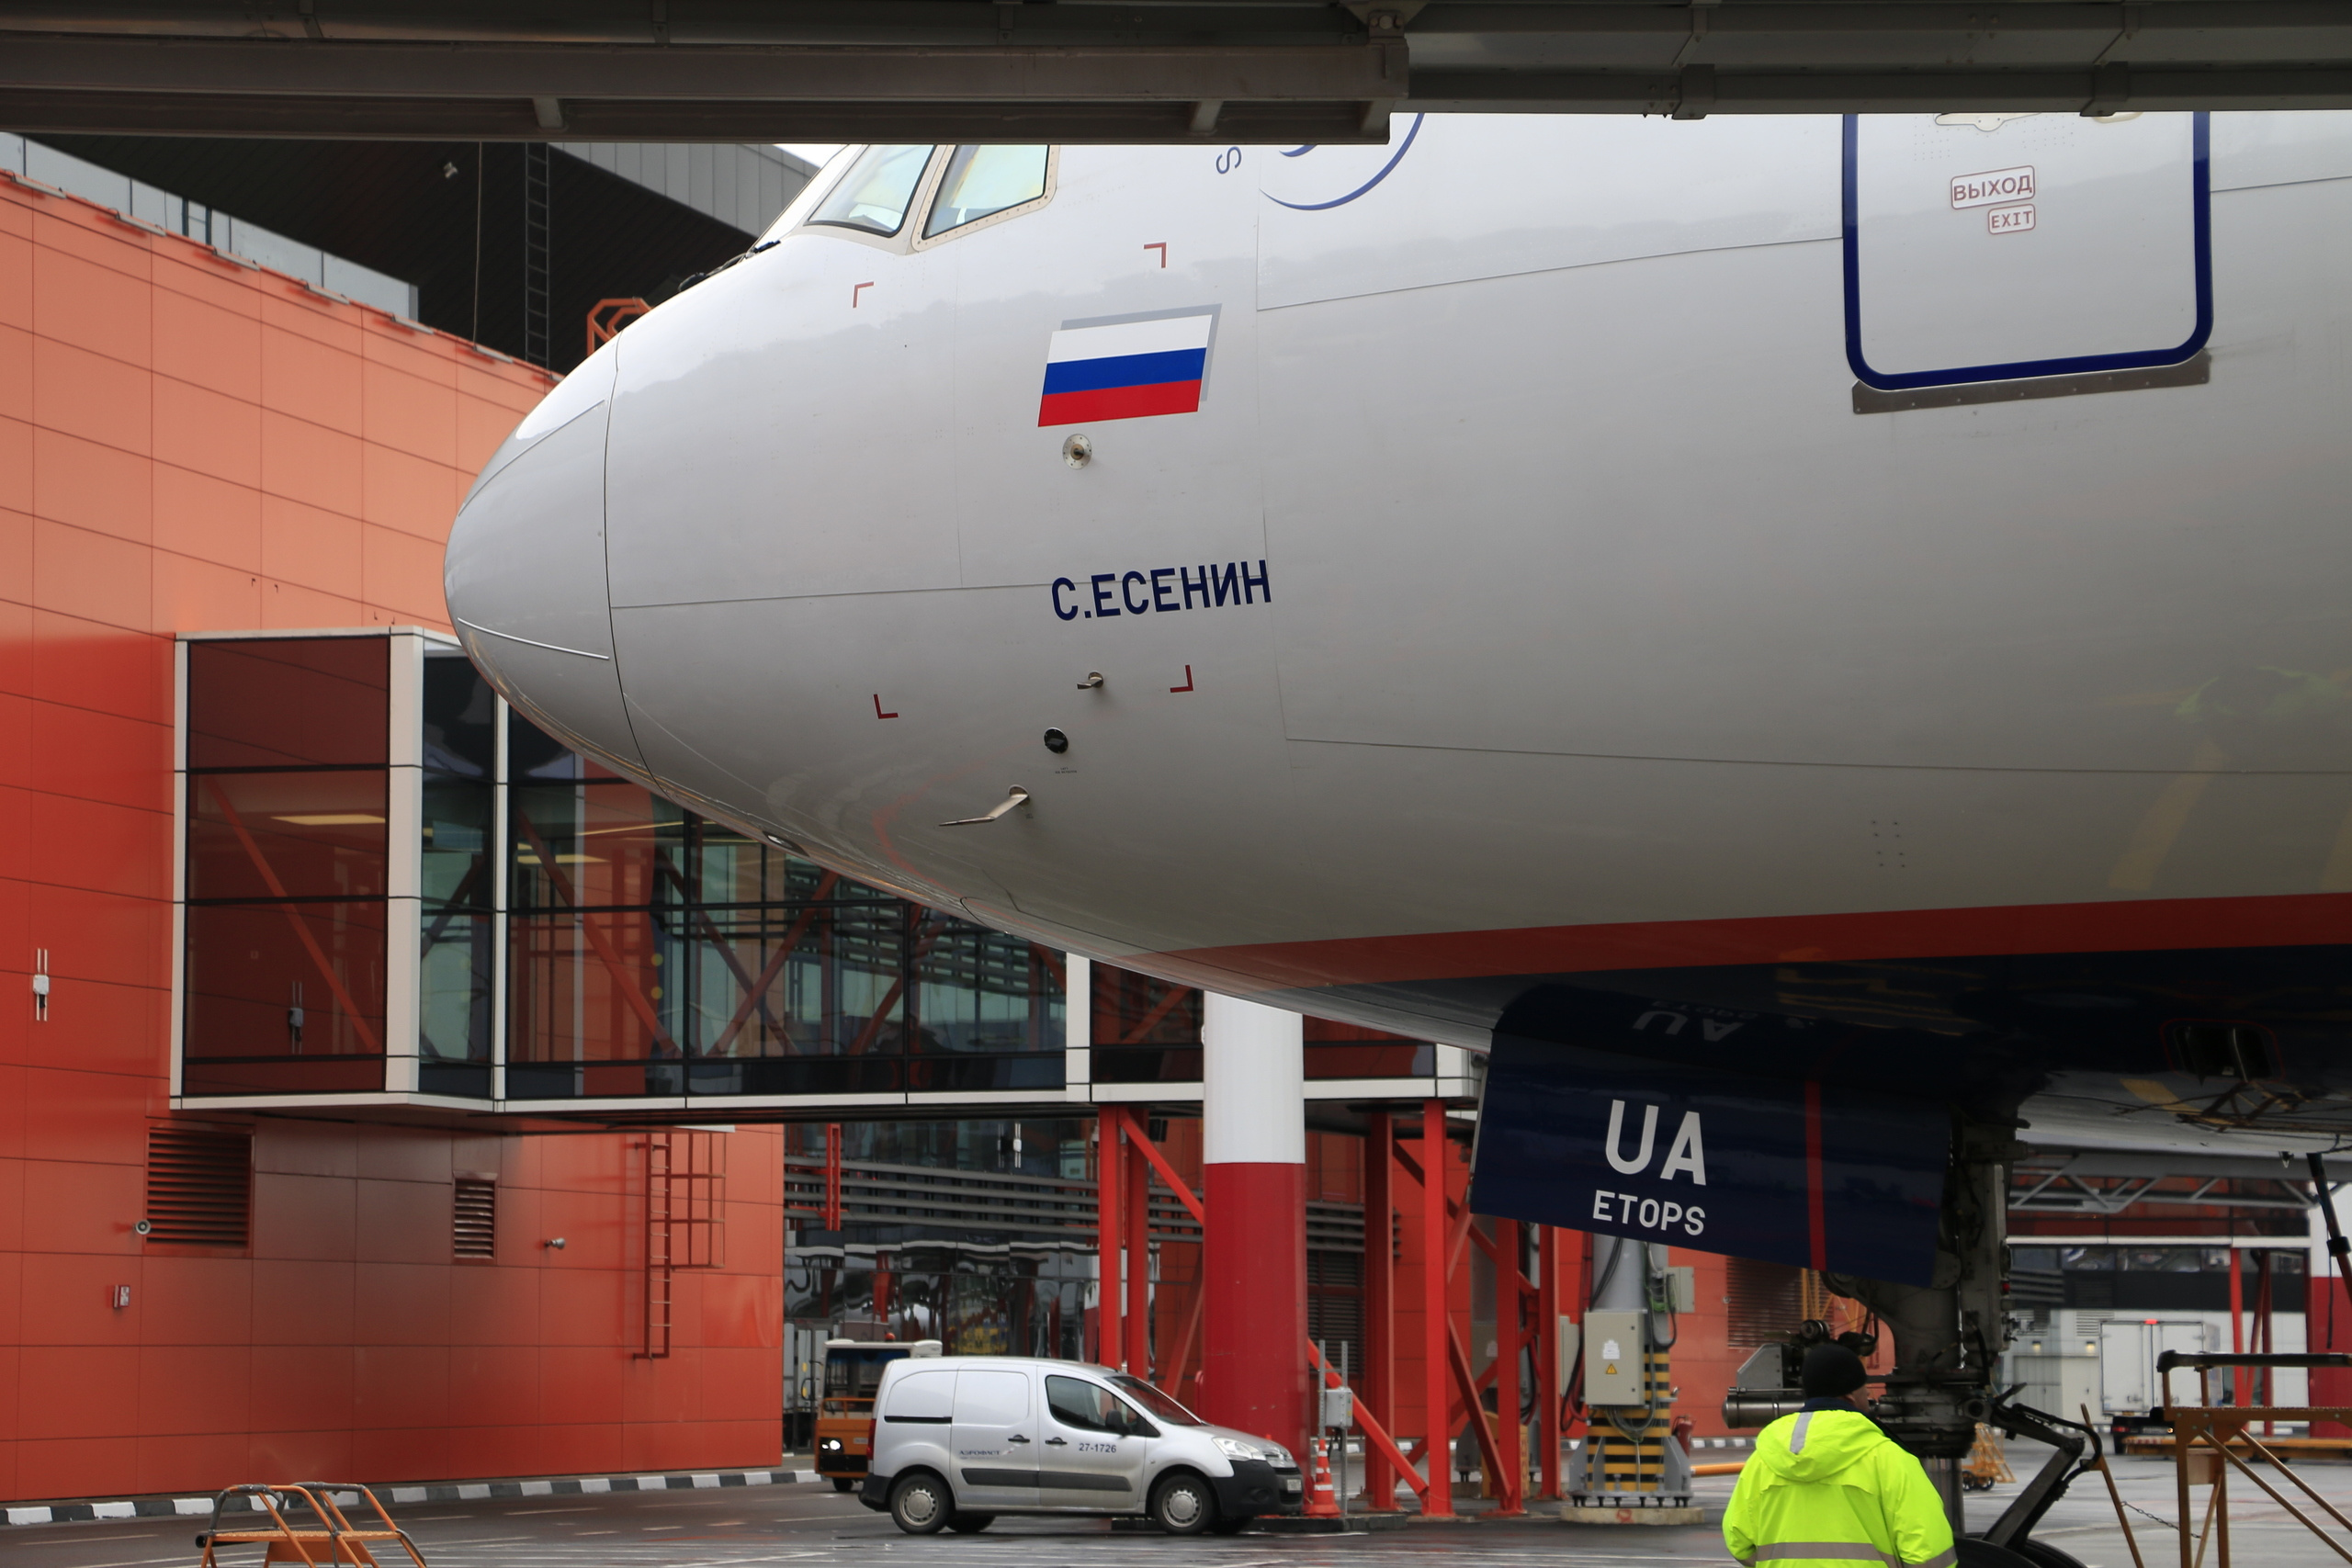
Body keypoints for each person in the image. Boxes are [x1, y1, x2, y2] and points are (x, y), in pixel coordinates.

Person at [1723, 1344, 1954, 1568]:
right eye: (1865, 1389)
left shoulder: (1763, 1460)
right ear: (1852, 1395)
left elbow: (1739, 1541)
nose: (1868, 1395)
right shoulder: (1890, 1458)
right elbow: (1930, 1554)